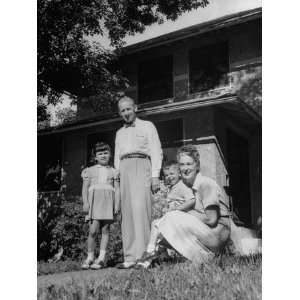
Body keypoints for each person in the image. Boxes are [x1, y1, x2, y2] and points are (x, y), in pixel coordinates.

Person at [150, 145, 231, 264]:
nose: (185, 168)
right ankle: (203, 257)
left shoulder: (205, 184)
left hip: (217, 234)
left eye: (189, 164)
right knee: (159, 229)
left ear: (197, 165)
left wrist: (180, 211)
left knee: (171, 217)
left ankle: (205, 255)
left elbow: (212, 219)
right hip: (206, 232)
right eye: (182, 165)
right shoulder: (188, 187)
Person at [114, 96, 163, 269]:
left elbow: (156, 150)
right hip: (124, 169)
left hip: (142, 165)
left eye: (128, 109)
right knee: (127, 213)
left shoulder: (148, 126)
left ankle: (145, 257)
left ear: (135, 107)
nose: (126, 113)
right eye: (122, 110)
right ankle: (130, 257)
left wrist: (155, 175)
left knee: (142, 210)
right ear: (120, 113)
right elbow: (117, 157)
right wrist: (116, 178)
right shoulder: (119, 133)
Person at [135, 161, 196, 269]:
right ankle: (160, 257)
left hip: (181, 219)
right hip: (173, 219)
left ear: (179, 174)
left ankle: (149, 252)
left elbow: (191, 200)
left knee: (156, 224)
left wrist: (175, 209)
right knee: (158, 230)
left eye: (172, 174)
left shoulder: (182, 186)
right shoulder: (172, 188)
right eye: (166, 175)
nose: (169, 177)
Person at [81, 142, 120, 269]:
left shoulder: (114, 172)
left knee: (105, 230)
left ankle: (101, 258)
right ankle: (90, 257)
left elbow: (117, 190)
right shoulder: (89, 170)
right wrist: (86, 203)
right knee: (92, 231)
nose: (103, 155)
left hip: (108, 203)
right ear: (95, 157)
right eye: (100, 153)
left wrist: (117, 205)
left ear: (110, 155)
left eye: (106, 153)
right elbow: (85, 188)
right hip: (94, 203)